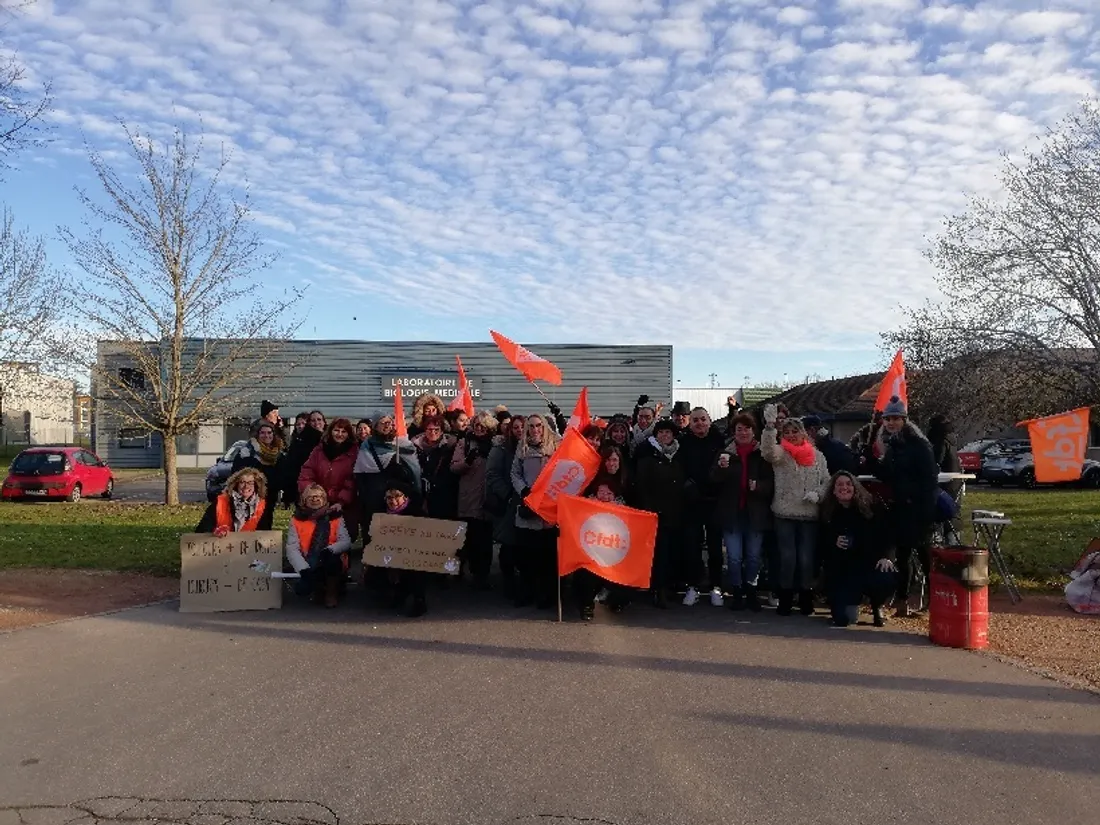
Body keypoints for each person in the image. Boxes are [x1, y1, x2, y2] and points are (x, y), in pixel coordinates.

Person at [867, 396, 940, 618]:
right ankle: (902, 602)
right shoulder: (893, 445)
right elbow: (888, 475)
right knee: (903, 556)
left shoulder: (919, 445)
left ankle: (935, 601)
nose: (890, 423)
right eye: (888, 418)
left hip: (919, 510)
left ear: (904, 420)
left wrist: (927, 511)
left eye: (895, 419)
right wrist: (869, 460)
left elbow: (930, 479)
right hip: (902, 509)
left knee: (925, 556)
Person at [760, 404, 831, 616]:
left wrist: (818, 495)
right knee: (787, 557)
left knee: (806, 558)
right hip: (784, 513)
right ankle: (785, 598)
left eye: (795, 431)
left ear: (803, 433)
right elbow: (767, 451)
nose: (791, 435)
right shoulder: (781, 453)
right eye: (787, 432)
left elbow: (827, 480)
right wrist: (770, 427)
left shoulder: (818, 456)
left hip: (809, 513)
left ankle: (806, 597)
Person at [710, 413, 774, 611]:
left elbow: (772, 483)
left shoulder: (762, 454)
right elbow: (713, 480)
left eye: (747, 428)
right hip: (732, 513)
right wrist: (720, 469)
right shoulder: (725, 453)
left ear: (754, 431)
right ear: (733, 432)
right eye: (739, 429)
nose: (743, 432)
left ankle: (751, 590)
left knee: (754, 557)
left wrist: (759, 486)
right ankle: (737, 591)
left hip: (755, 513)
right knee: (734, 557)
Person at [819, 472, 897, 627]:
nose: (844, 488)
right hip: (844, 572)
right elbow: (820, 543)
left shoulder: (871, 506)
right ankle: (849, 602)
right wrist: (833, 541)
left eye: (848, 484)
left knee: (886, 575)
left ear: (855, 487)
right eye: (839, 485)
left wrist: (886, 556)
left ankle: (877, 605)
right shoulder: (828, 512)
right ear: (833, 490)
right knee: (843, 620)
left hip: (869, 564)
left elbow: (888, 535)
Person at [632, 419, 686, 608]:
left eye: (668, 433)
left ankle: (669, 587)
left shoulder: (679, 456)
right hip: (655, 514)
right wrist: (650, 509)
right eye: (661, 432)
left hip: (676, 513)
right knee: (659, 554)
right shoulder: (648, 456)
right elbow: (641, 486)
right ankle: (658, 590)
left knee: (672, 552)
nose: (665, 436)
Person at [510, 414, 560, 609]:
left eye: (538, 425)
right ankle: (526, 592)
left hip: (548, 509)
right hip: (529, 506)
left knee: (547, 558)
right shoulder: (522, 448)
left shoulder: (555, 447)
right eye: (531, 426)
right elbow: (515, 472)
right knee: (526, 557)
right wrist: (523, 490)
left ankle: (546, 595)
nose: (535, 429)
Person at [677, 407, 726, 607]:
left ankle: (716, 586)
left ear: (709, 420)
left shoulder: (720, 440)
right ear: (690, 422)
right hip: (692, 502)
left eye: (703, 419)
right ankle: (693, 586)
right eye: (695, 420)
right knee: (692, 547)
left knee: (715, 548)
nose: (699, 423)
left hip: (714, 502)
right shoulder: (683, 442)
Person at [450, 411, 498, 589]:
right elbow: (454, 468)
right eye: (476, 424)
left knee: (484, 540)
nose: (479, 428)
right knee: (466, 538)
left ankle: (482, 575)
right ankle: (461, 570)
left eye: (483, 425)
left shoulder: (495, 444)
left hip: (487, 498)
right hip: (468, 498)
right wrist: (467, 461)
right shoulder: (465, 443)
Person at [285, 483, 352, 608]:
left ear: (324, 499)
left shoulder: (335, 516)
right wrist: (302, 569)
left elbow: (345, 541)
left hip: (331, 556)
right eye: (310, 497)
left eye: (318, 496)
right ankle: (317, 588)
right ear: (304, 500)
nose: (315, 499)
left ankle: (331, 593)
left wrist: (330, 550)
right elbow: (292, 548)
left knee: (332, 560)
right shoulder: (296, 520)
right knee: (301, 590)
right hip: (309, 560)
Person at [354, 411, 422, 525]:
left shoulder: (404, 444)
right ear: (375, 427)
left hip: (400, 502)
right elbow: (361, 477)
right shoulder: (367, 446)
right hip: (375, 502)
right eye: (382, 423)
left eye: (389, 422)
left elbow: (414, 471)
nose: (387, 425)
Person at [298, 417, 360, 541]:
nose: (340, 434)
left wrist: (341, 501)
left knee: (343, 537)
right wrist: (312, 494)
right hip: (319, 500)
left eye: (344, 432)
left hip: (342, 504)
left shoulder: (354, 452)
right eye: (337, 430)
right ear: (331, 431)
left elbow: (352, 479)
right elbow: (307, 472)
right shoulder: (319, 450)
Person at [486, 414, 525, 598]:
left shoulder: (530, 448)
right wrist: (507, 495)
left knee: (522, 546)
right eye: (515, 427)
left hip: (525, 503)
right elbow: (492, 474)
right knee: (508, 546)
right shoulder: (501, 448)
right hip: (508, 503)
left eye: (522, 427)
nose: (519, 430)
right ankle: (508, 583)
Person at [380, 480, 429, 617]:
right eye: (389, 497)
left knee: (415, 565)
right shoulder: (380, 514)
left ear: (405, 497)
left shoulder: (417, 513)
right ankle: (396, 593)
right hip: (390, 551)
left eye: (397, 496)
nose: (393, 500)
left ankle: (419, 600)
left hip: (413, 552)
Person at [196, 468, 274, 534]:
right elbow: (202, 529)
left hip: (249, 549)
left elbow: (265, 534)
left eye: (250, 483)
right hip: (222, 547)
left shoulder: (263, 505)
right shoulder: (220, 501)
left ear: (256, 486)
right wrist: (215, 531)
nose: (246, 486)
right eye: (242, 482)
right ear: (236, 484)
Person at [231, 420, 285, 511]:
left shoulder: (278, 453)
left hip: (271, 495)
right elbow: (237, 472)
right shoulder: (247, 452)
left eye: (269, 433)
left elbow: (282, 474)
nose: (266, 435)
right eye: (262, 433)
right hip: (252, 494)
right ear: (257, 435)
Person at [412, 415, 458, 520]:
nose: (433, 432)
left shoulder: (450, 447)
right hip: (421, 494)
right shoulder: (414, 447)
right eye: (430, 429)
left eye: (436, 430)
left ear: (442, 431)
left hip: (444, 495)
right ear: (425, 431)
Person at [284, 412, 323, 507]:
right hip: (305, 484)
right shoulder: (299, 442)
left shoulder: (327, 439)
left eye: (319, 420)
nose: (300, 426)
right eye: (312, 420)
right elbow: (292, 466)